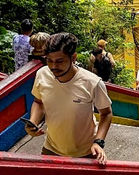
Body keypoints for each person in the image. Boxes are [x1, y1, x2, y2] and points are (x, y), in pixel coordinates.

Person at [26, 32, 112, 165]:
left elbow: (106, 113)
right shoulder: (42, 74)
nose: (53, 66)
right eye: (49, 60)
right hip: (51, 148)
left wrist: (98, 142)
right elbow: (39, 102)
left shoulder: (92, 83)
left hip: (86, 151)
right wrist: (33, 122)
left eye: (60, 61)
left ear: (73, 57)